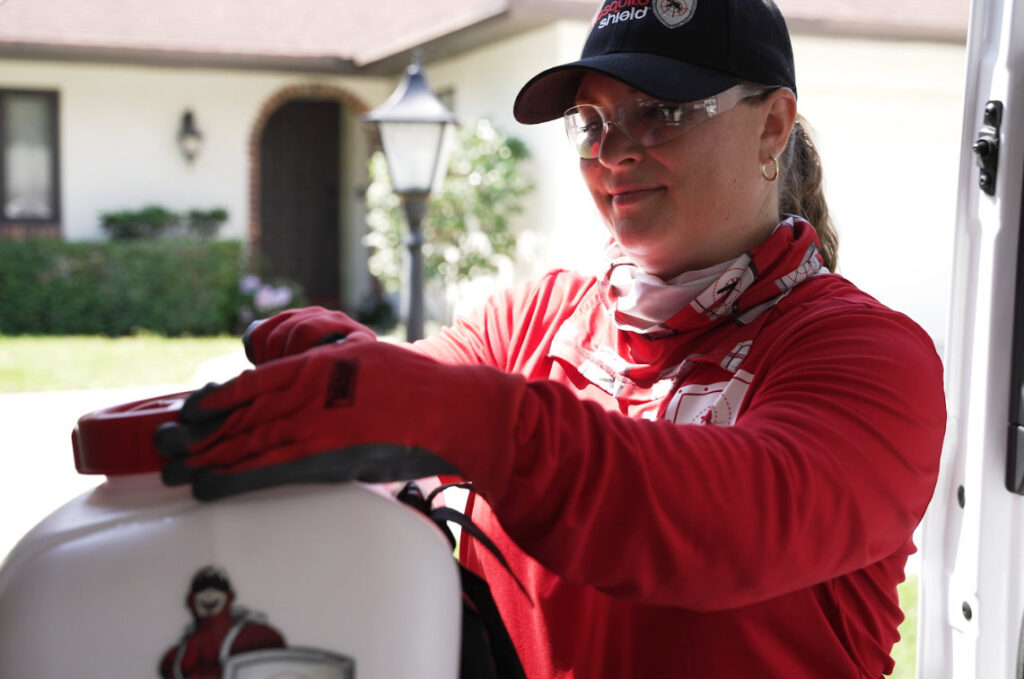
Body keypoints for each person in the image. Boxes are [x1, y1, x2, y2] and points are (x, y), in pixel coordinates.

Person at [155, 0, 947, 676]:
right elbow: (411, 394)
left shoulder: (868, 355)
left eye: (662, 112)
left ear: (772, 125)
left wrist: (464, 417)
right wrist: (349, 368)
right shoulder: (536, 319)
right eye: (593, 122)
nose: (613, 151)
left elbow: (727, 525)